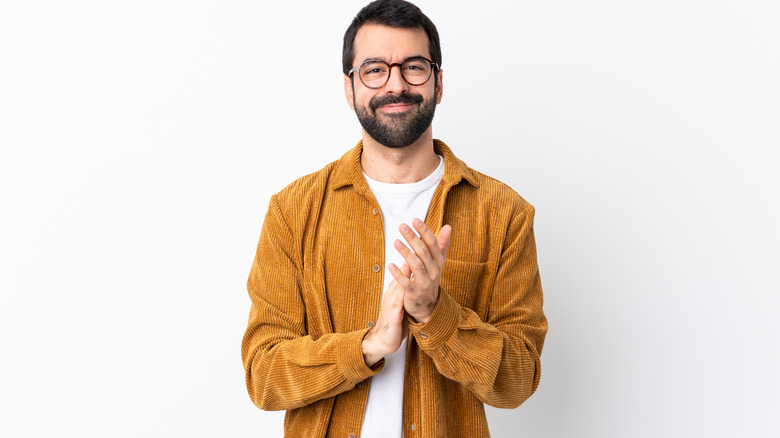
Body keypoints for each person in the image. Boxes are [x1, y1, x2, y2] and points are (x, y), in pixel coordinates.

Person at [241, 0, 547, 436]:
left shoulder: (504, 214)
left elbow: (519, 380)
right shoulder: (293, 212)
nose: (396, 84)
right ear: (350, 89)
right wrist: (367, 346)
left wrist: (435, 315)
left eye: (414, 67)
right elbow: (263, 375)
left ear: (438, 83)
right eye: (374, 70)